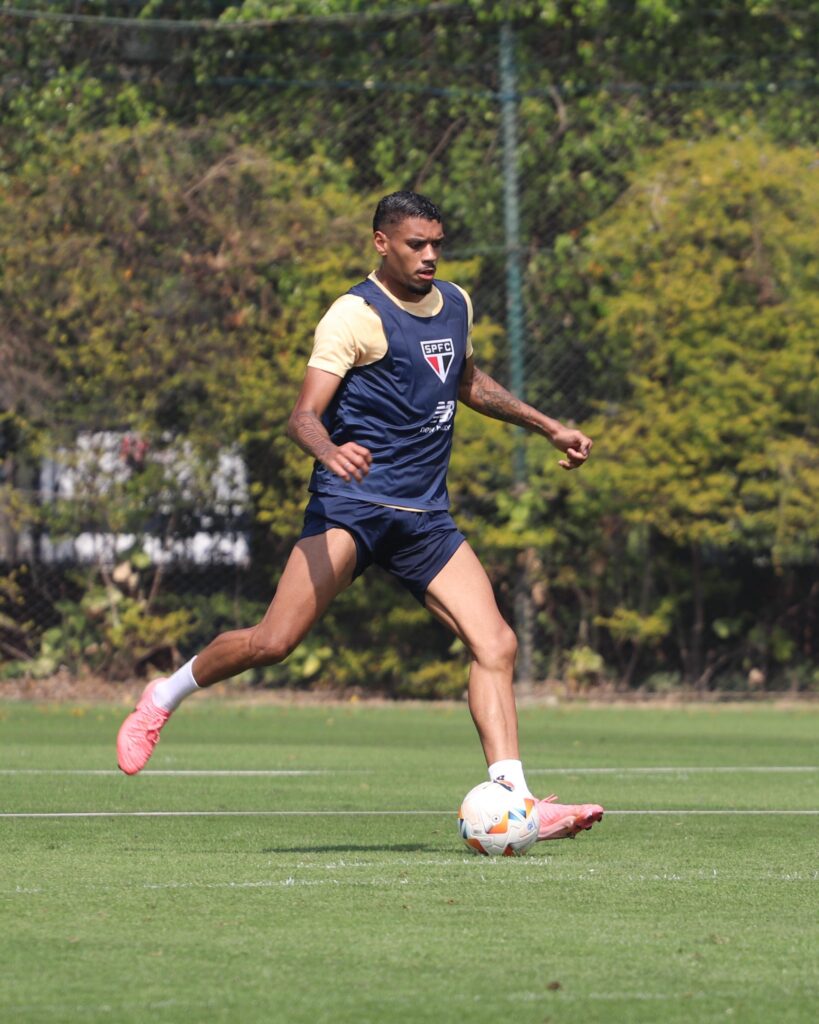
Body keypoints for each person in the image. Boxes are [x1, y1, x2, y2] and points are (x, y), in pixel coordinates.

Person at [117, 190, 603, 841]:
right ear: (381, 242)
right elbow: (302, 417)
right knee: (274, 642)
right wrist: (330, 451)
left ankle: (515, 798)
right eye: (414, 244)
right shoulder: (353, 315)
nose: (429, 255)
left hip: (425, 517)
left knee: (497, 643)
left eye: (436, 243)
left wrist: (547, 427)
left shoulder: (454, 303)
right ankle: (163, 695)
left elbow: (464, 381)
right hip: (351, 508)